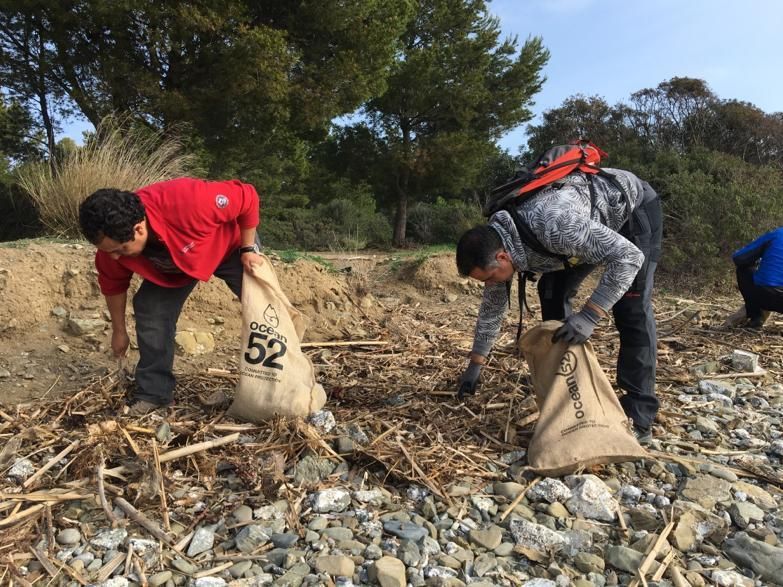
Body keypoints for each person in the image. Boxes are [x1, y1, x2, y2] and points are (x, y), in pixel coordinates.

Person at [455, 167, 662, 443]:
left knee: (631, 305)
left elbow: (628, 257)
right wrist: (475, 365)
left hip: (630, 209)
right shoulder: (498, 244)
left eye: (490, 278)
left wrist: (589, 315)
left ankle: (639, 414)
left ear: (502, 257)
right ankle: (568, 383)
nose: (490, 284)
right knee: (551, 291)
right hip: (581, 223)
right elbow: (492, 309)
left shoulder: (557, 228)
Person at [78, 178, 261, 415]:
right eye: (107, 251)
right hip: (177, 267)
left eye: (119, 250)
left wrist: (247, 249)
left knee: (265, 308)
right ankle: (154, 393)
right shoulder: (110, 250)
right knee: (150, 307)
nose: (114, 257)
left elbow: (247, 197)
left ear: (139, 229)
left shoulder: (190, 201)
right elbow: (113, 285)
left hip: (230, 246)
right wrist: (119, 331)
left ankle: (281, 376)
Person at [732, 227, 783, 328]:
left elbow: (739, 258)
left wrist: (758, 261)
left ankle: (756, 316)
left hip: (764, 294)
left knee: (743, 270)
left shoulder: (776, 234)